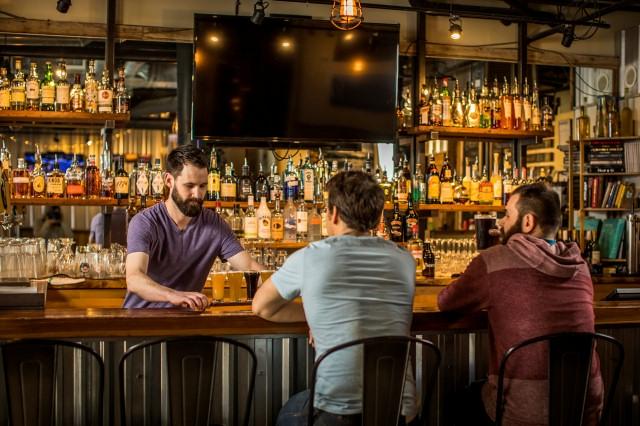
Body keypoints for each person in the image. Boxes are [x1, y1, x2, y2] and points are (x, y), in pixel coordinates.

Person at [252, 171, 418, 425]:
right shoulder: (405, 260)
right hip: (400, 413)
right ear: (378, 216)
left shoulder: (312, 257)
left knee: (289, 411)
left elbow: (262, 307)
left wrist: (316, 317)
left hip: (338, 415)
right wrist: (319, 315)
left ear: (334, 214)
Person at [438, 183, 602, 425]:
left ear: (527, 222)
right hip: (582, 410)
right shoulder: (580, 266)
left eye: (506, 214)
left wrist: (489, 257)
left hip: (523, 413)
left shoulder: (494, 259)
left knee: (454, 401)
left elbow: (446, 302)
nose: (501, 223)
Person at [124, 144, 263, 310]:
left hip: (186, 325)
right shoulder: (145, 222)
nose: (197, 195)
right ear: (169, 180)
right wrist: (172, 295)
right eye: (189, 186)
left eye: (202, 186)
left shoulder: (215, 224)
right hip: (140, 323)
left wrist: (291, 282)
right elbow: (134, 278)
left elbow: (251, 268)